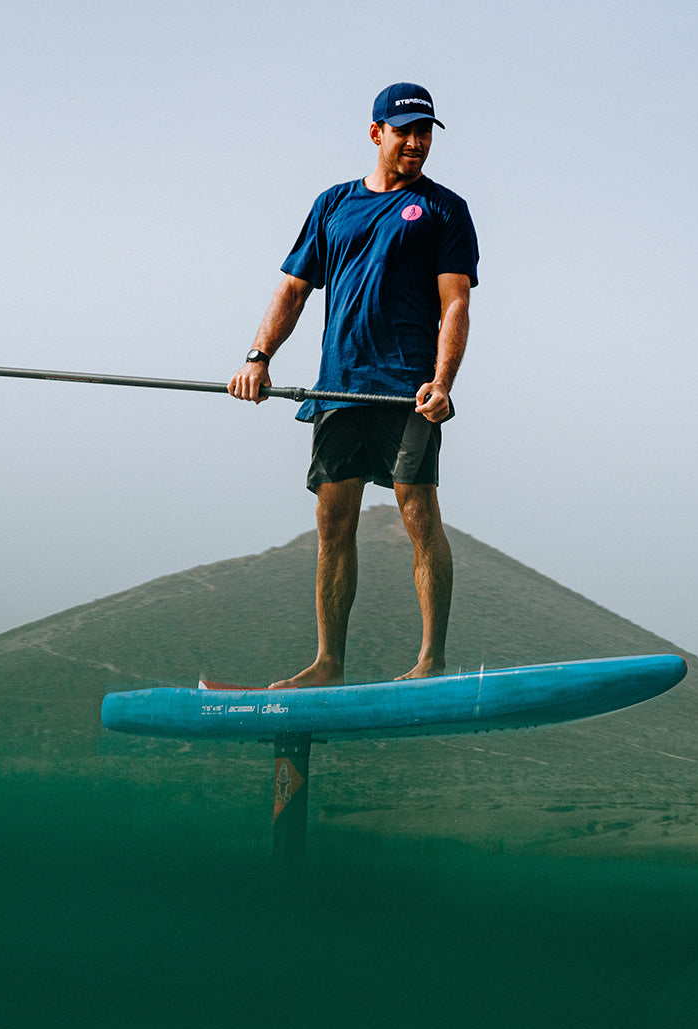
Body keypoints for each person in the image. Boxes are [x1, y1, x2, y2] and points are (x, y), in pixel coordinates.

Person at [228, 83, 479, 688]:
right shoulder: (332, 204)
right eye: (404, 131)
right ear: (377, 134)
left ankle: (430, 661)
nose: (416, 142)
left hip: (409, 391)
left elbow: (455, 304)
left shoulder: (445, 209)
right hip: (338, 387)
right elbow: (293, 288)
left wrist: (442, 382)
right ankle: (329, 663)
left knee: (418, 512)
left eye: (425, 132)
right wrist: (258, 358)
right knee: (333, 523)